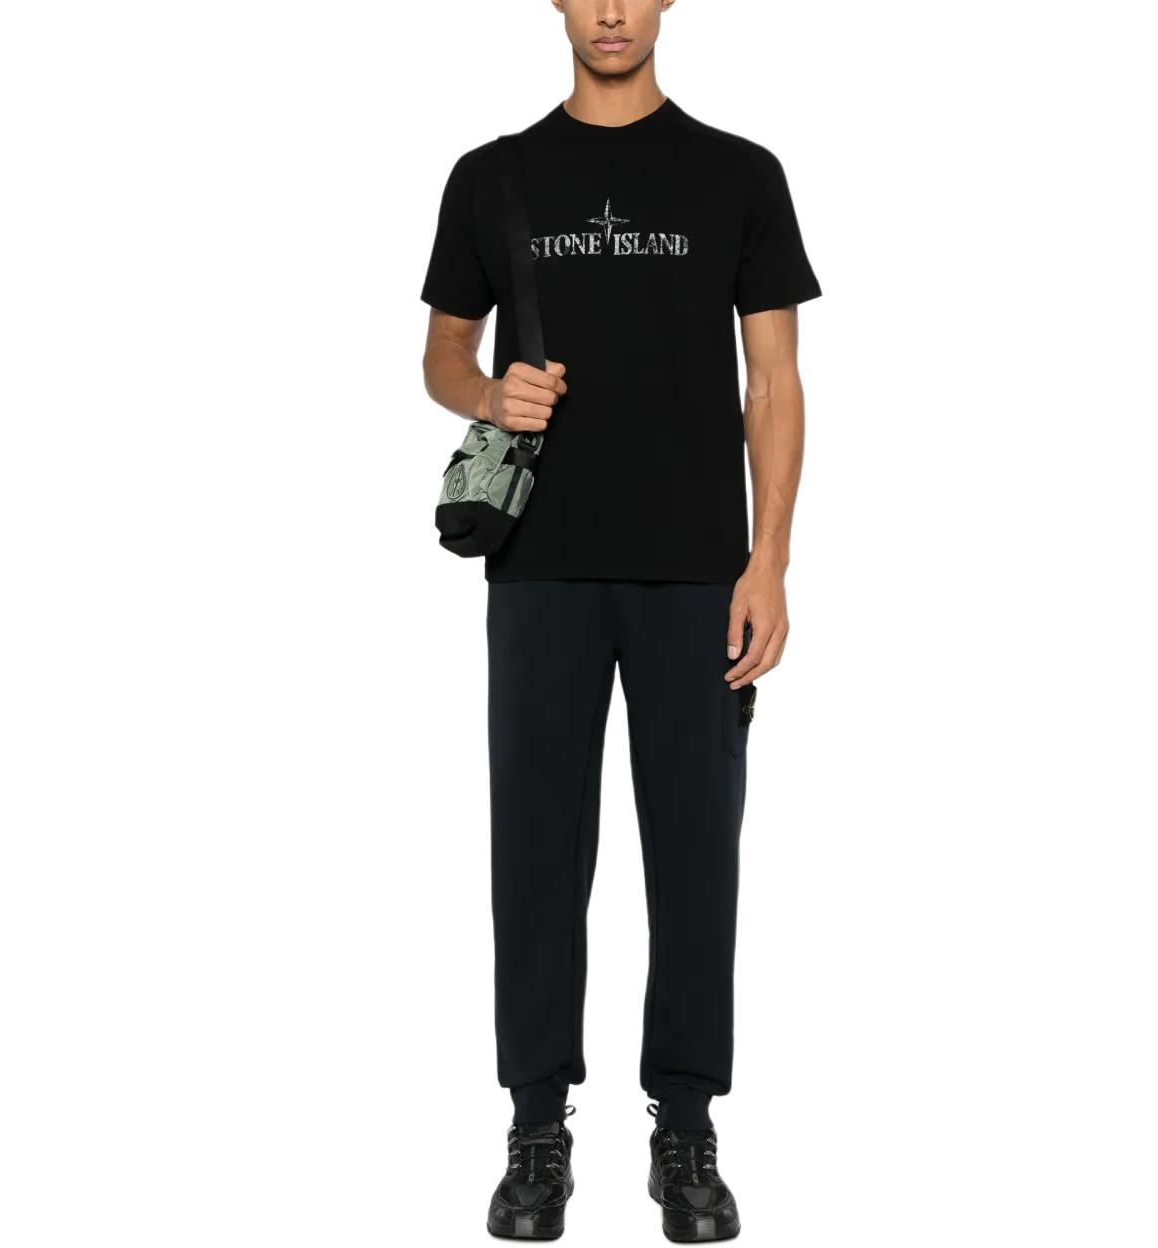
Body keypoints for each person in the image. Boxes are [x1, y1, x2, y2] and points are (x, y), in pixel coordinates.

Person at [421, 1, 819, 1239]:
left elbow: (775, 379)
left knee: (696, 859)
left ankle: (686, 1126)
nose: (610, 11)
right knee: (536, 856)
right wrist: (490, 392)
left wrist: (769, 561)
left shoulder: (739, 175)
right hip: (540, 572)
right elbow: (442, 357)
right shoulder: (492, 176)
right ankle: (536, 1128)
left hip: (699, 574)